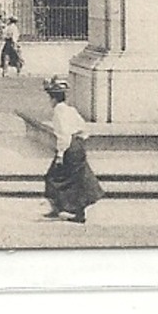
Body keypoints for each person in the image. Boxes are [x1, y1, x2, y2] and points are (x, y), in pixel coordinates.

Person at [42, 76, 104, 223]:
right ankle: (75, 211)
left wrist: (60, 155)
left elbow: (63, 134)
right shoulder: (71, 110)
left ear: (53, 99)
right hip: (78, 145)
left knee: (52, 177)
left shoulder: (58, 112)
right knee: (77, 179)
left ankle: (60, 208)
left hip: (69, 147)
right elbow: (83, 128)